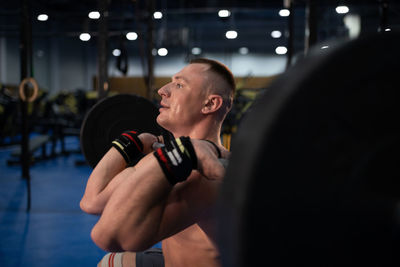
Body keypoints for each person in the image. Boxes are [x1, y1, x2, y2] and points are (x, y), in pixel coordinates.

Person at [80, 58, 235, 267]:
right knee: (111, 263)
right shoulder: (170, 161)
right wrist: (130, 143)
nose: (163, 90)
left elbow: (109, 237)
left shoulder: (209, 174)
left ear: (210, 104)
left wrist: (176, 155)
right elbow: (92, 201)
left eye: (179, 84)